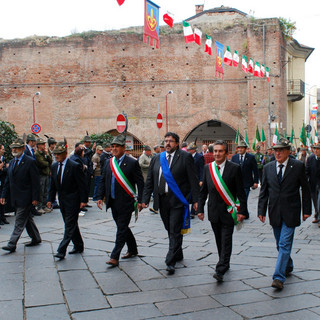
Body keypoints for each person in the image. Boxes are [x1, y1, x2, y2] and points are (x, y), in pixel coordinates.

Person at [142, 132, 200, 275]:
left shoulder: (185, 157)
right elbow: (150, 180)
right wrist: (144, 199)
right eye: (166, 141)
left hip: (178, 200)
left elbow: (193, 179)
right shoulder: (157, 158)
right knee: (169, 228)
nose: (167, 143)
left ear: (177, 143)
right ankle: (178, 252)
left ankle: (170, 261)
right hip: (162, 200)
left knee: (174, 229)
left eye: (171, 141)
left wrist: (196, 200)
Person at [258, 139, 311, 290]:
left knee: (284, 243)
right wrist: (261, 211)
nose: (278, 153)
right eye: (275, 150)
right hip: (274, 211)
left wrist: (307, 210)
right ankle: (288, 264)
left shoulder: (298, 166)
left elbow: (305, 190)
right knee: (279, 244)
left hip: (291, 211)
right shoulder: (268, 168)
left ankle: (278, 277)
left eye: (281, 150)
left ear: (288, 151)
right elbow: (264, 192)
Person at [197, 140, 248, 282]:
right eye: (215, 151)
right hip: (213, 211)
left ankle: (220, 268)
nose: (217, 154)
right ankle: (224, 261)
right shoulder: (208, 168)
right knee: (219, 240)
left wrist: (242, 211)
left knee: (226, 239)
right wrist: (200, 209)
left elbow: (241, 192)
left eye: (220, 151)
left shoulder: (235, 168)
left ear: (226, 153)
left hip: (228, 211)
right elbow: (203, 192)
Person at [96, 135, 144, 267]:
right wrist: (99, 196)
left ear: (124, 148)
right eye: (113, 146)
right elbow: (102, 180)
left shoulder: (132, 162)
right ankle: (133, 249)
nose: (114, 149)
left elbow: (140, 182)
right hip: (112, 201)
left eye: (117, 146)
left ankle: (114, 256)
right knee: (122, 227)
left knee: (121, 228)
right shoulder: (108, 162)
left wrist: (141, 200)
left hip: (126, 202)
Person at [47, 141, 88, 260]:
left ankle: (61, 249)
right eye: (55, 154)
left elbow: (82, 184)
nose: (56, 156)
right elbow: (53, 185)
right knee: (70, 224)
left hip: (73, 200)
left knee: (69, 225)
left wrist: (83, 200)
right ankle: (79, 245)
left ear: (65, 153)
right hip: (62, 201)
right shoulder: (54, 166)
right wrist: (50, 199)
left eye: (59, 154)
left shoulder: (74, 166)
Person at [0, 137, 41, 252]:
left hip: (26, 197)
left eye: (17, 148)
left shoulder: (30, 161)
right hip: (15, 197)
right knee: (27, 219)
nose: (14, 150)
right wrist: (3, 195)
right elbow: (8, 181)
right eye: (13, 148)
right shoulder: (12, 162)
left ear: (22, 148)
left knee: (19, 221)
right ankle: (36, 238)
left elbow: (35, 181)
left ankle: (12, 243)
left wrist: (35, 197)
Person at [231, 140, 259, 213]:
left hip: (246, 182)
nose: (240, 149)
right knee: (237, 199)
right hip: (236, 183)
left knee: (244, 198)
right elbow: (231, 170)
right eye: (239, 148)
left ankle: (243, 213)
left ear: (245, 149)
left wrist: (256, 181)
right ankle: (242, 212)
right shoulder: (234, 157)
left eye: (242, 148)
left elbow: (255, 170)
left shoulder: (251, 157)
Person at [34, 138, 53, 214]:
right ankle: (39, 206)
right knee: (41, 191)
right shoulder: (37, 154)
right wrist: (47, 162)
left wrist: (47, 155)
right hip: (41, 174)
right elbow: (42, 163)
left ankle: (44, 206)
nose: (44, 146)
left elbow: (50, 161)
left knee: (46, 191)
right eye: (42, 144)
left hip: (46, 173)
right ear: (38, 145)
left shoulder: (45, 152)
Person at [187, 141, 204, 218]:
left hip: (196, 179)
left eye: (190, 149)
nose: (189, 150)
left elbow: (201, 169)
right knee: (188, 195)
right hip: (188, 179)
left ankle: (193, 212)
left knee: (195, 195)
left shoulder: (199, 157)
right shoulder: (187, 156)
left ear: (194, 150)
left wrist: (201, 179)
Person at [306, 142, 320, 225]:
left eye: (318, 149)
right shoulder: (310, 158)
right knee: (315, 201)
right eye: (315, 149)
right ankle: (317, 215)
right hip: (313, 184)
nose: (316, 150)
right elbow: (307, 170)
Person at [0, 144, 9, 225]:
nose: (3, 150)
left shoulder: (4, 159)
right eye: (2, 149)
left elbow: (7, 169)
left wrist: (2, 169)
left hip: (2, 181)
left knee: (3, 198)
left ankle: (3, 217)